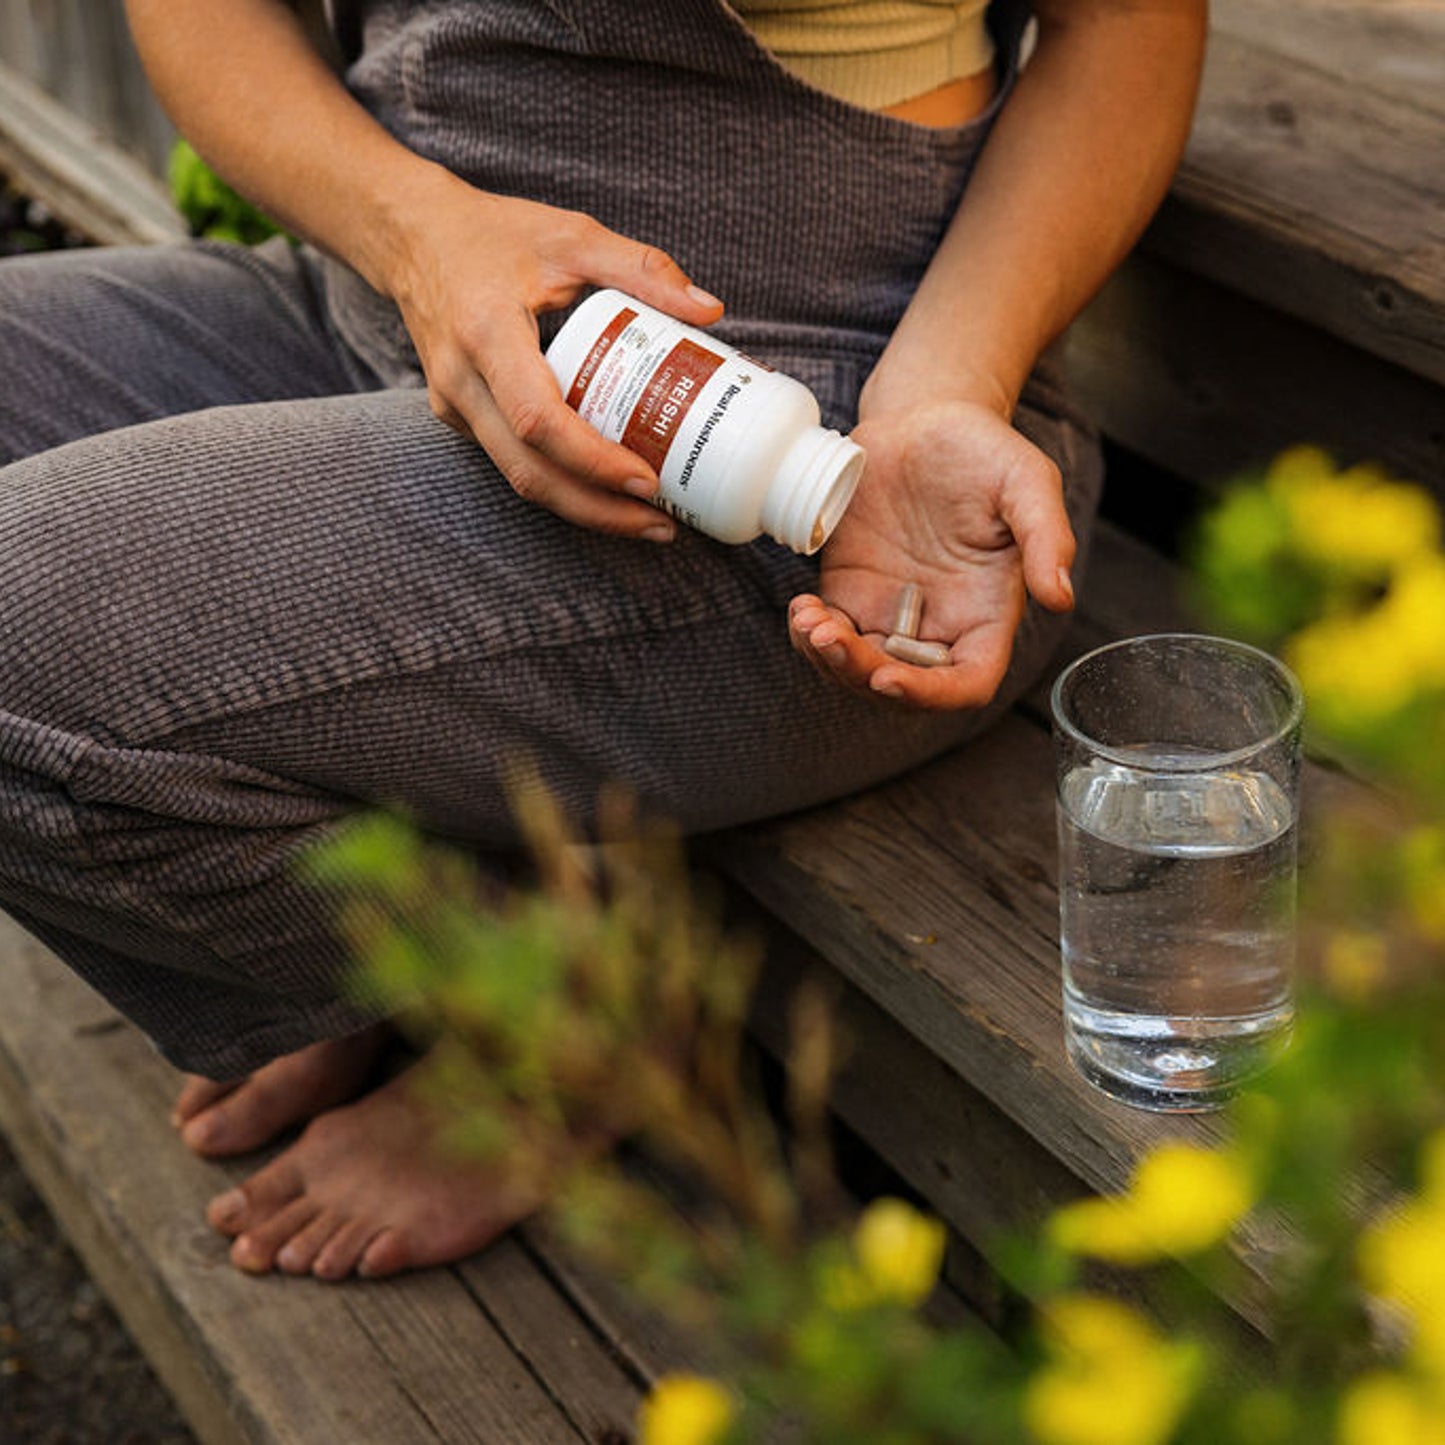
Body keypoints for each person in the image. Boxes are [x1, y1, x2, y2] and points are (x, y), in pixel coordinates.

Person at [0, 0, 1206, 1280]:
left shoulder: (865, 456)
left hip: (838, 454)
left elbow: (1127, 24)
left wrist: (948, 386)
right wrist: (418, 235)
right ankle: (329, 922)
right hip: (382, 306)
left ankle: (564, 1021)